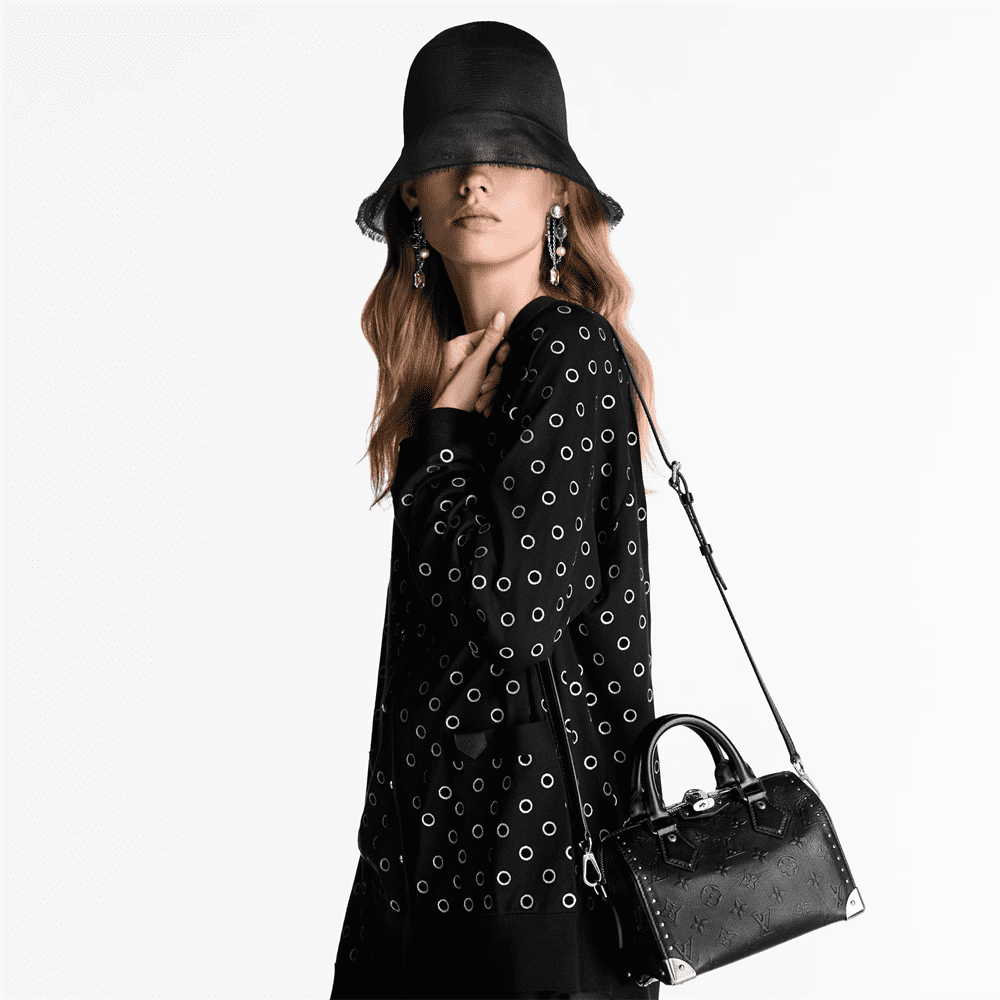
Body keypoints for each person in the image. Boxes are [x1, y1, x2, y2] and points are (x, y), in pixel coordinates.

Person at [331, 20, 668, 1000]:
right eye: (448, 155)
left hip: (535, 888)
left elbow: (512, 610)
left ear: (557, 192)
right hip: (429, 876)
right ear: (413, 195)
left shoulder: (564, 349)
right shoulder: (459, 369)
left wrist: (439, 446)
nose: (475, 179)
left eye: (509, 156)